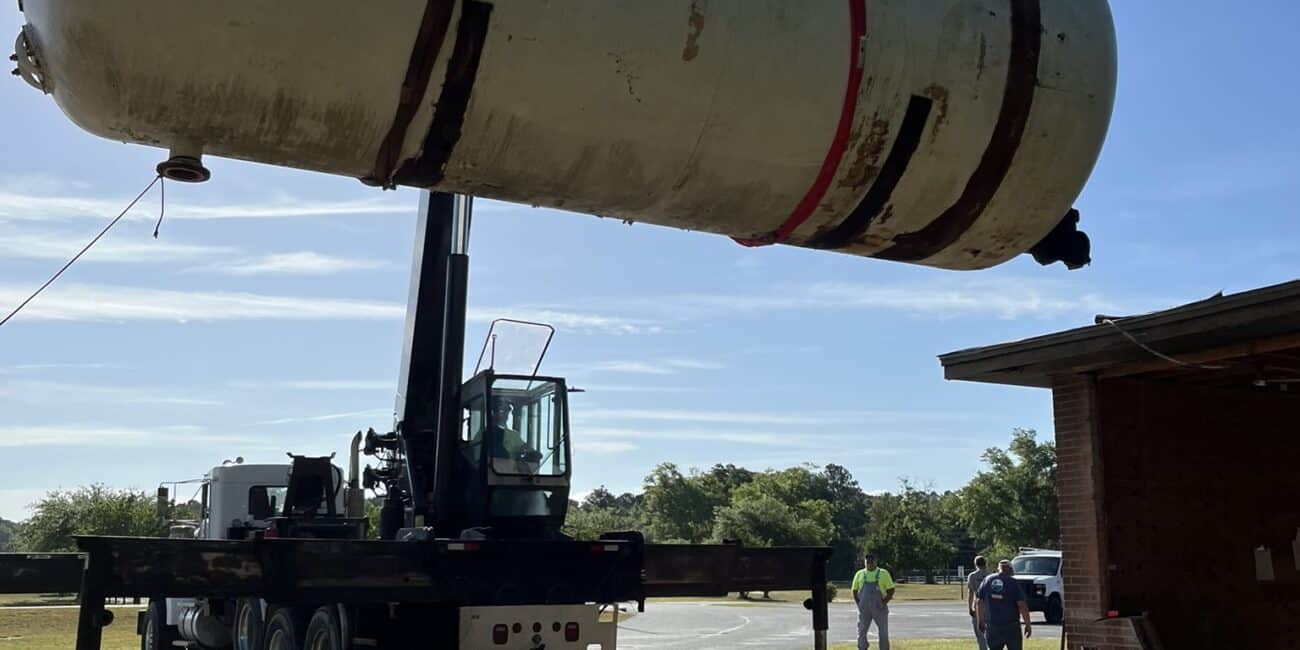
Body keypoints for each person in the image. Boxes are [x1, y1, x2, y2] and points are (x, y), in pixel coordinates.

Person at [976, 560, 1033, 650]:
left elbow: (979, 601)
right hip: (1011, 626)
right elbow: (1021, 604)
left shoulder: (987, 580)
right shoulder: (1013, 582)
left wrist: (981, 621)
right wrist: (1027, 624)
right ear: (1010, 569)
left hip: (992, 626)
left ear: (999, 569)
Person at [852, 553, 895, 650]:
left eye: (872, 562)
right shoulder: (860, 574)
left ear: (876, 562)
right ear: (865, 562)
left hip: (879, 608)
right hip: (864, 609)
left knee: (883, 631)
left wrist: (884, 602)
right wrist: (859, 604)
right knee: (861, 631)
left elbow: (891, 589)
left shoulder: (883, 573)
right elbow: (854, 590)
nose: (870, 564)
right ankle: (862, 648)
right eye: (868, 562)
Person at [966, 555, 992, 650]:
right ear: (985, 563)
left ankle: (983, 648)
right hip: (990, 606)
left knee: (979, 632)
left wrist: (970, 607)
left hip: (978, 605)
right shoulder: (991, 575)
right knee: (990, 631)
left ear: (975, 564)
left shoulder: (972, 576)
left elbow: (970, 593)